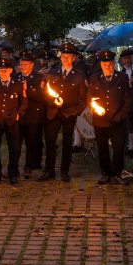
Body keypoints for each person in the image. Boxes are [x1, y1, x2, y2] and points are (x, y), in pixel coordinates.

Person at [42, 44, 86, 182]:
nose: (65, 58)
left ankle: (64, 171)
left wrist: (75, 111)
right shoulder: (52, 72)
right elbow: (45, 92)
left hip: (69, 113)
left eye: (69, 56)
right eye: (64, 56)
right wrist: (52, 101)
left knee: (67, 143)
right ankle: (49, 170)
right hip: (53, 112)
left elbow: (83, 97)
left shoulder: (79, 75)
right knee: (50, 142)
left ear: (73, 58)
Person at [88, 49, 132, 185]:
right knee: (102, 147)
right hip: (100, 120)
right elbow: (89, 97)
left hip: (117, 119)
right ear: (101, 65)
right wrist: (94, 108)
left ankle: (117, 172)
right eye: (105, 65)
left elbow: (128, 100)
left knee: (119, 148)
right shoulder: (95, 78)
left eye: (110, 64)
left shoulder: (123, 78)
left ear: (114, 64)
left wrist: (120, 116)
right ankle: (105, 172)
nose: (108, 67)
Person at [0, 58, 25, 184]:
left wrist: (19, 114)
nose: (3, 72)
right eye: (1, 70)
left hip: (12, 120)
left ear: (11, 70)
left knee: (14, 148)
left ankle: (12, 173)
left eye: (5, 70)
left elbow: (23, 101)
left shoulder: (17, 84)